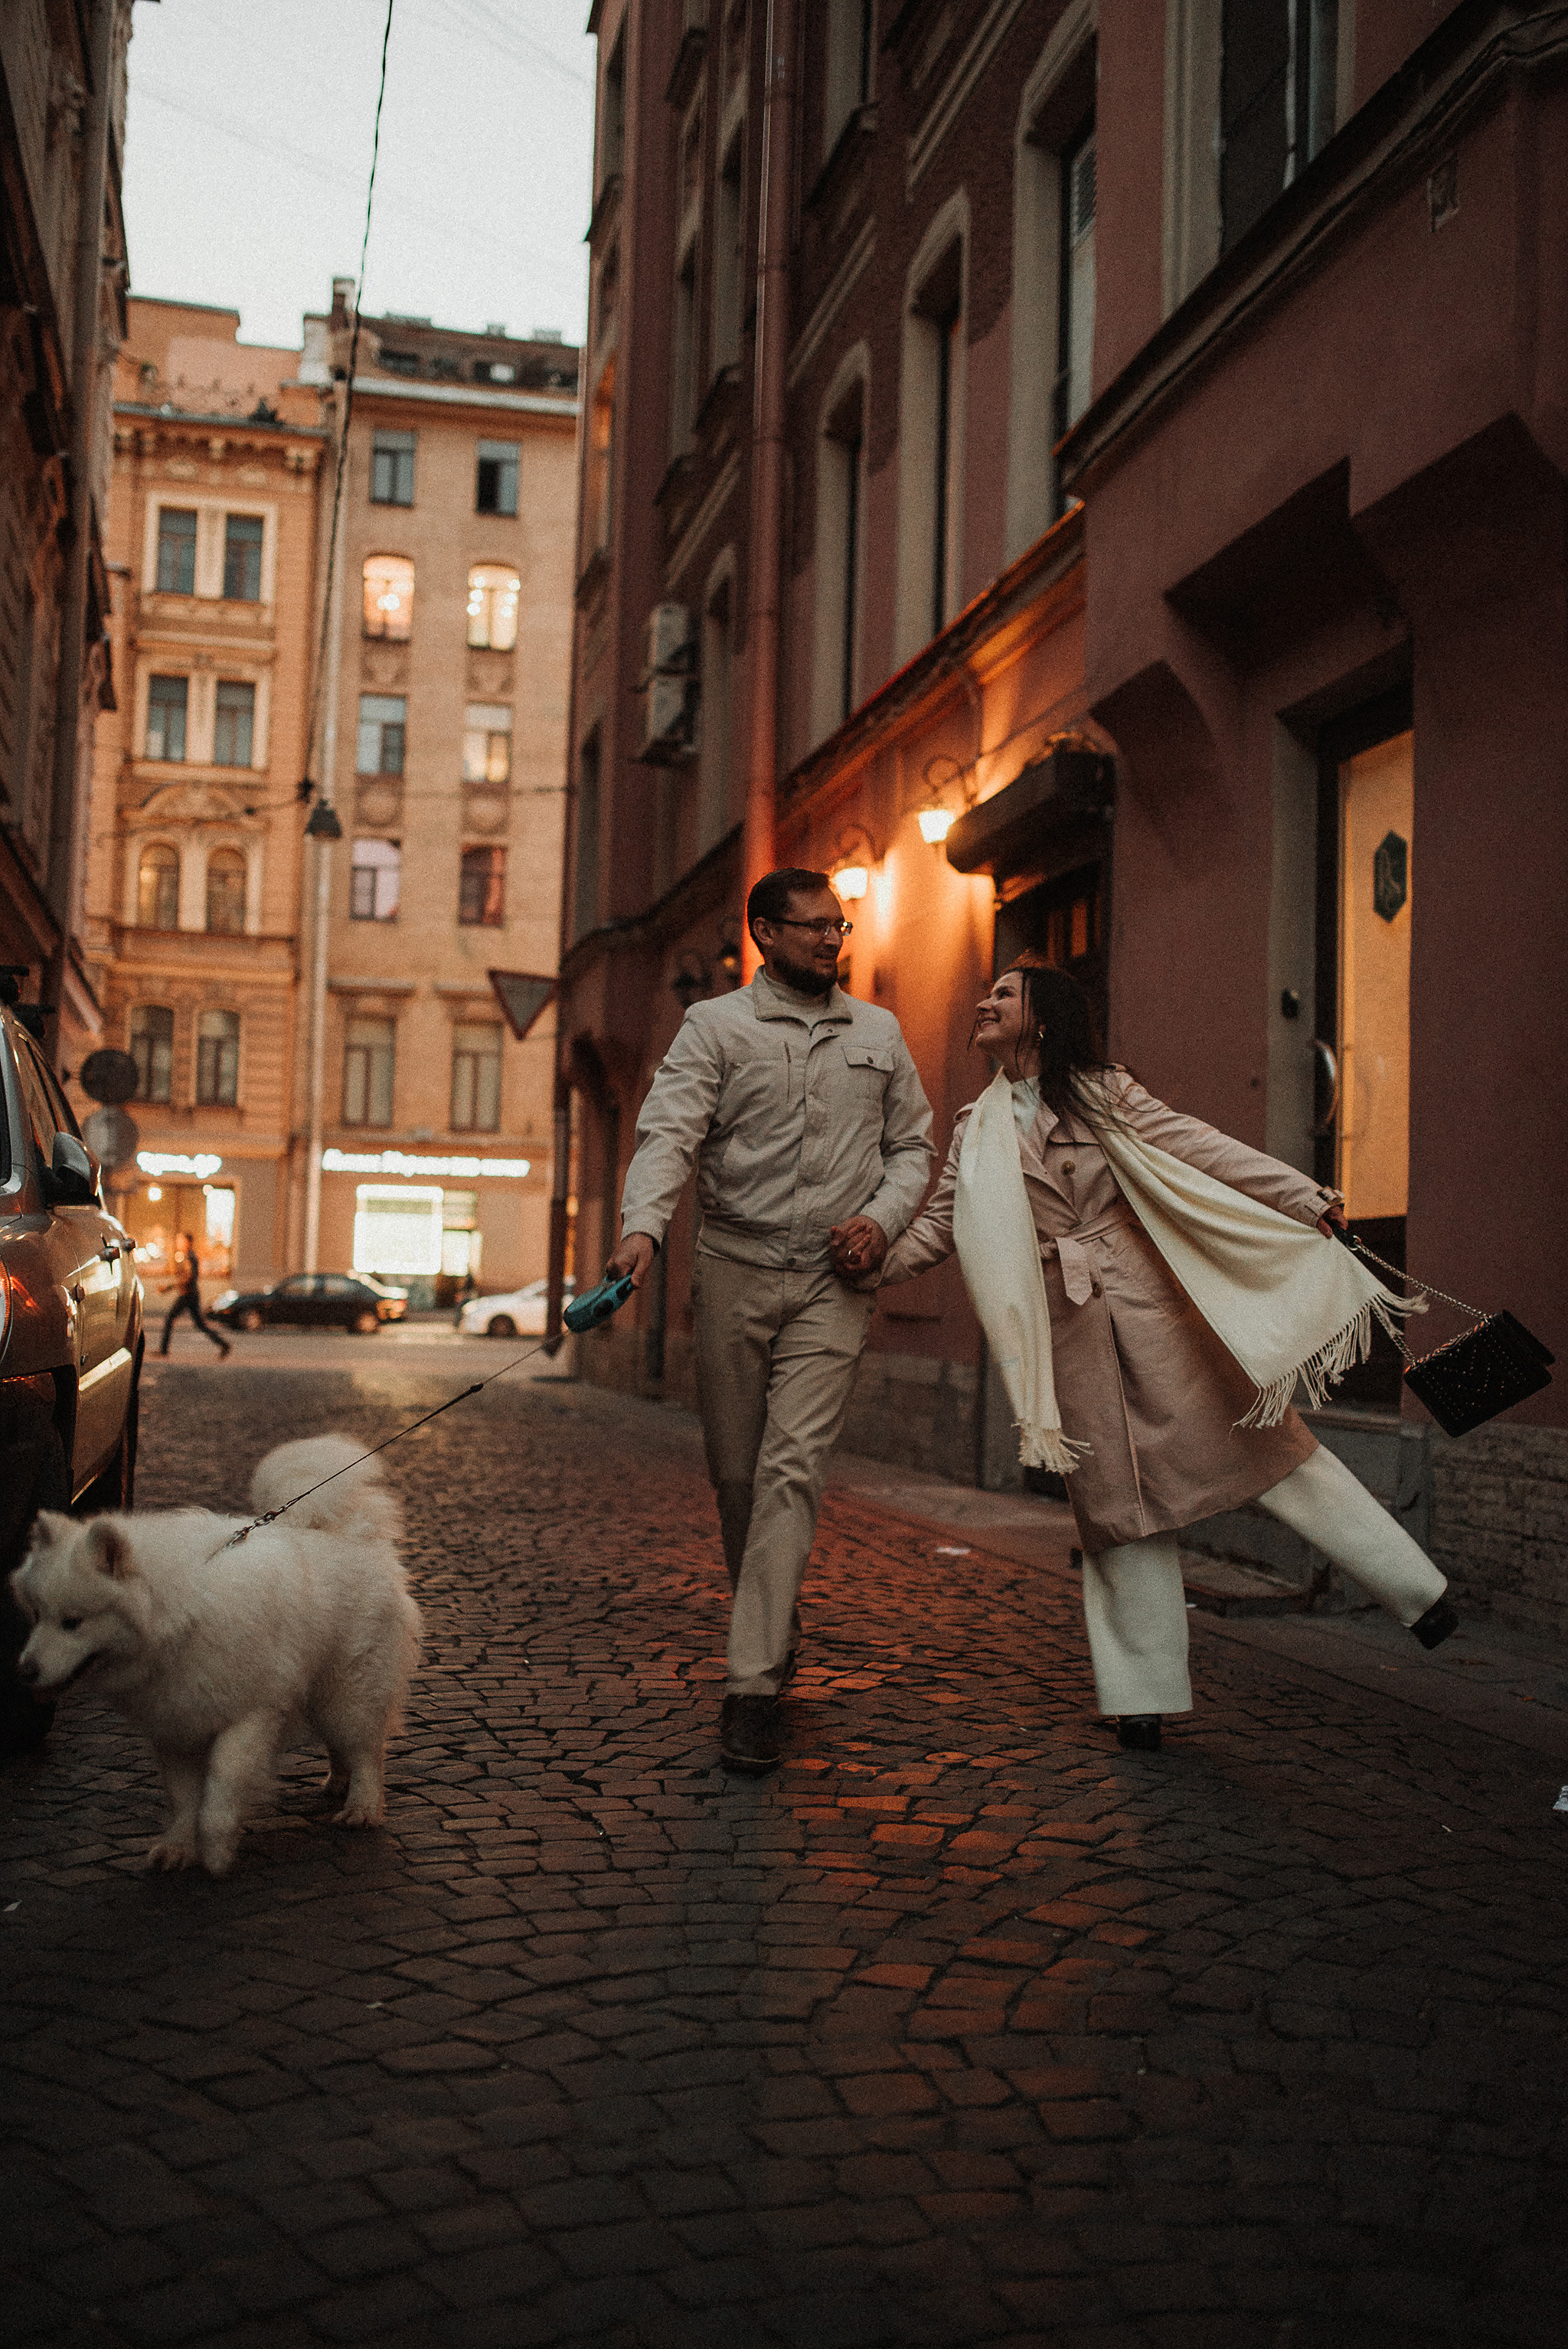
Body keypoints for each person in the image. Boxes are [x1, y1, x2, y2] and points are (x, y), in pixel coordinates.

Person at [877, 960, 1455, 1751]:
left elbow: (1198, 1147)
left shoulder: (1103, 1090)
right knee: (1119, 1509)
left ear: (1040, 1016)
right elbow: (935, 1228)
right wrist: (863, 1261)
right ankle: (1139, 1694)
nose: (985, 1002)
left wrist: (1304, 1198)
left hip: (1154, 1314)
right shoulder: (975, 1124)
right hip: (1070, 1336)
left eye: (1003, 994)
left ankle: (1417, 1592)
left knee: (1271, 1451)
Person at [607, 867, 933, 1772]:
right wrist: (641, 1230)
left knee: (792, 1469)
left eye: (840, 925)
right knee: (737, 1476)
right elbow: (668, 1131)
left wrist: (884, 1216)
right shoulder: (713, 1027)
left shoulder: (880, 1032)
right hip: (735, 1270)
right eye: (814, 927)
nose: (833, 940)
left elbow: (912, 1145)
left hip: (833, 1282)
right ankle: (773, 1613)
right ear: (764, 933)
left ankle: (750, 1683)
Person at [159, 1233, 230, 1359]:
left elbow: (190, 1277)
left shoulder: (190, 1257)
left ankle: (163, 1350)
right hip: (190, 1294)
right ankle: (223, 1344)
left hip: (188, 1295)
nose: (178, 1243)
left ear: (188, 1242)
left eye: (181, 1241)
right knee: (200, 1325)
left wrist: (169, 1288)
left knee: (170, 1319)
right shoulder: (188, 1256)